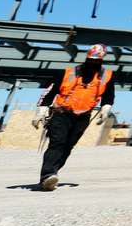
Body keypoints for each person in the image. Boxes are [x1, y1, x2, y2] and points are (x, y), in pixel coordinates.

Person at [32, 43, 115, 191]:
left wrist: (106, 108)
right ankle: (47, 175)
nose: (93, 63)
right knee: (58, 143)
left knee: (68, 145)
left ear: (101, 60)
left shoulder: (107, 76)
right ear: (87, 58)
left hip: (83, 117)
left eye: (97, 61)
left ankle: (52, 173)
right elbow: (49, 93)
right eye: (91, 60)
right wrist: (41, 111)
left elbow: (108, 97)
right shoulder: (67, 73)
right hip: (61, 114)